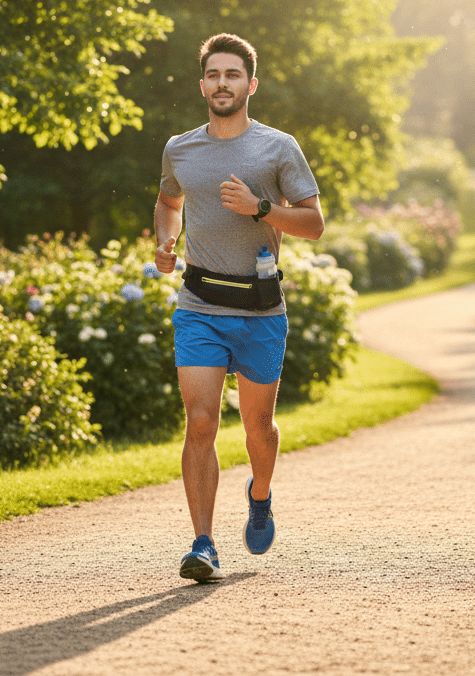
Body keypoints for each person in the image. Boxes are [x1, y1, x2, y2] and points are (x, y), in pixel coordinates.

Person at [152, 33, 324, 582]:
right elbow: (168, 200)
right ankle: (203, 544)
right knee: (200, 421)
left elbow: (314, 224)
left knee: (259, 430)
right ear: (201, 84)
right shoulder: (181, 148)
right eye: (213, 74)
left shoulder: (278, 147)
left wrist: (261, 208)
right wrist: (165, 240)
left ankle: (261, 493)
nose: (221, 83)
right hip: (199, 303)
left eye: (232, 75)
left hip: (259, 310)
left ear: (251, 85)